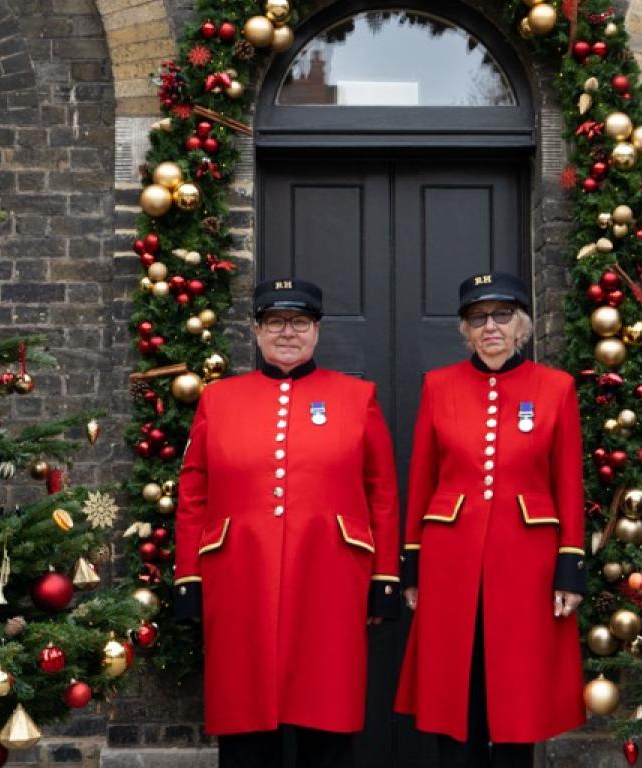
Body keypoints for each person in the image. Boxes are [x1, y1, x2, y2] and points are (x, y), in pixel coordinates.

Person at [173, 278, 403, 768]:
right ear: (256, 330)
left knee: (327, 715)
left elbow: (381, 492)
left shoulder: (356, 397)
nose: (287, 333)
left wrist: (384, 578)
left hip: (331, 576)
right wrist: (189, 577)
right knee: (245, 719)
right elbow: (193, 492)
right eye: (274, 321)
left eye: (300, 322)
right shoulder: (219, 399)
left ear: (317, 331)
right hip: (239, 576)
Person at [395, 271, 585, 768]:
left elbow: (568, 483)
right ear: (465, 330)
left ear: (521, 325)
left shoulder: (556, 388)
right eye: (478, 318)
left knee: (517, 694)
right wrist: (411, 565)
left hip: (529, 561)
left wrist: (571, 567)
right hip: (449, 558)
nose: (491, 327)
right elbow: (422, 481)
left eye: (502, 315)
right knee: (452, 687)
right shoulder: (438, 386)